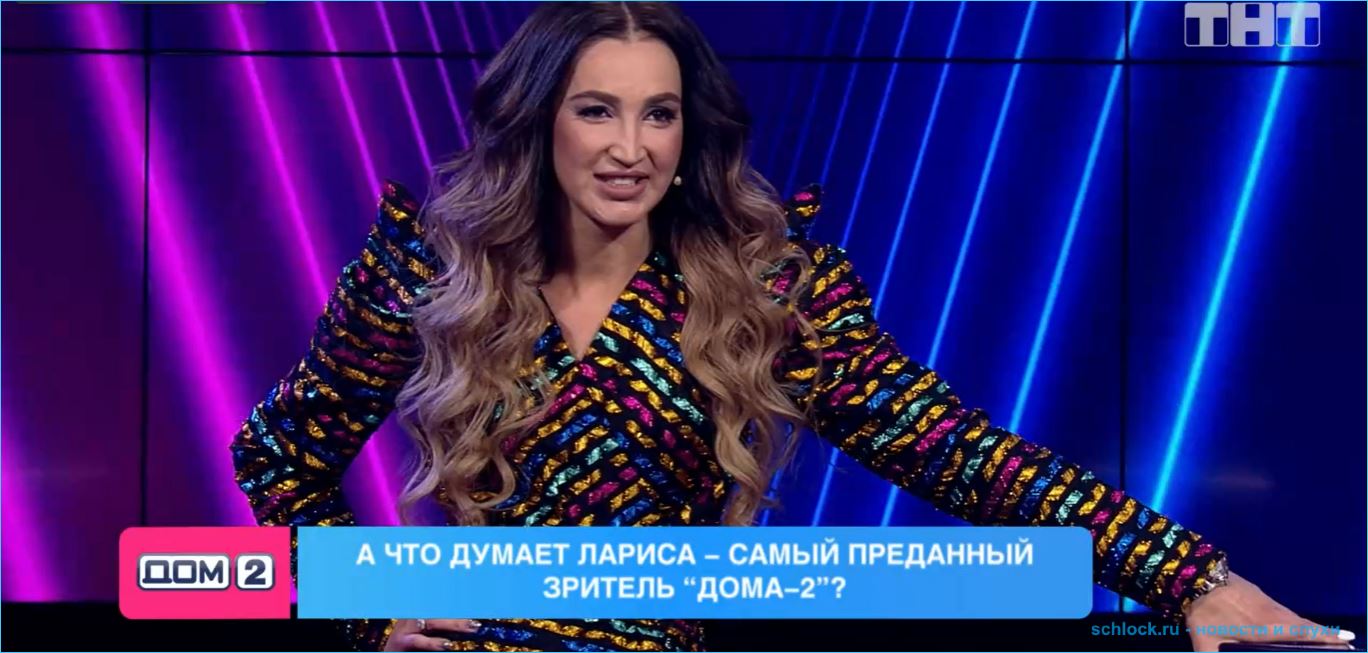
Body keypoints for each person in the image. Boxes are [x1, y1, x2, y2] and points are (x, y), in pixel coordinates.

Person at [228, 3, 1354, 652]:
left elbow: (953, 447)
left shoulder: (762, 288)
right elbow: (278, 456)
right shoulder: (435, 270)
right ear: (540, 125)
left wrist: (1183, 573)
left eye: (660, 114)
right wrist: (365, 603)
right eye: (597, 109)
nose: (630, 147)